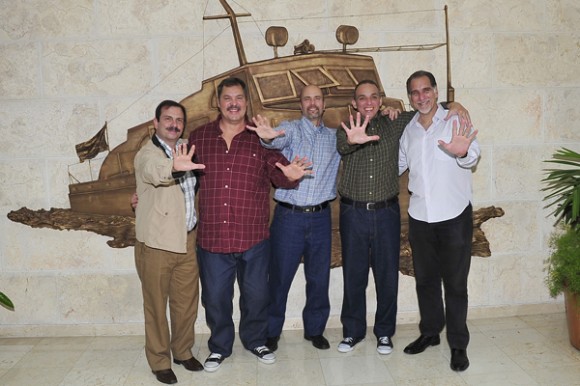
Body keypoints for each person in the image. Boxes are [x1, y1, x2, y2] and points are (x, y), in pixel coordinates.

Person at [336, 79, 471, 356]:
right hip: (353, 212)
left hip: (387, 212)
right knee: (354, 275)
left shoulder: (400, 123)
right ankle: (352, 332)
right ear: (354, 103)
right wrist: (352, 140)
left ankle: (385, 333)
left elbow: (426, 108)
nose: (369, 102)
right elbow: (343, 146)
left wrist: (452, 104)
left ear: (382, 100)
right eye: (362, 98)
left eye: (374, 97)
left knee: (388, 276)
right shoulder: (346, 128)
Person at [188, 77, 312, 372]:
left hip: (253, 237)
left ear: (246, 102)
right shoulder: (199, 137)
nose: (233, 103)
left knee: (256, 296)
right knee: (216, 298)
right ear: (218, 102)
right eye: (228, 98)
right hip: (213, 238)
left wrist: (291, 174)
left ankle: (255, 340)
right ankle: (219, 347)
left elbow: (279, 175)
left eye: (239, 98)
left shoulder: (261, 139)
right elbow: (184, 180)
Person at [246, 85, 342, 352]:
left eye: (317, 98)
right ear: (301, 104)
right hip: (289, 219)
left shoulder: (335, 137)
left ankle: (315, 330)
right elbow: (276, 140)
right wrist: (267, 138)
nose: (312, 103)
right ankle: (271, 331)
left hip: (321, 217)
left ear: (324, 104)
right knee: (279, 277)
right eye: (307, 98)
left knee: (319, 278)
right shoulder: (291, 129)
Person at [399, 70, 479, 372]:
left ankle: (459, 345)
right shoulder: (409, 131)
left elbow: (472, 154)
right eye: (415, 92)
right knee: (426, 281)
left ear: (435, 91)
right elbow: (398, 165)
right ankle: (430, 333)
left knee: (456, 285)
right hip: (420, 218)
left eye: (426, 90)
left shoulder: (455, 120)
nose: (422, 97)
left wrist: (464, 152)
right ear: (410, 97)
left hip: (455, 216)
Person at [133, 100, 206, 384]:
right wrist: (173, 167)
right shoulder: (147, 154)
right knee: (155, 305)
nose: (174, 123)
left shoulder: (186, 148)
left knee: (186, 303)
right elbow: (154, 171)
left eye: (178, 119)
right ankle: (159, 360)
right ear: (156, 123)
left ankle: (183, 351)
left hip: (187, 241)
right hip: (156, 245)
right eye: (167, 119)